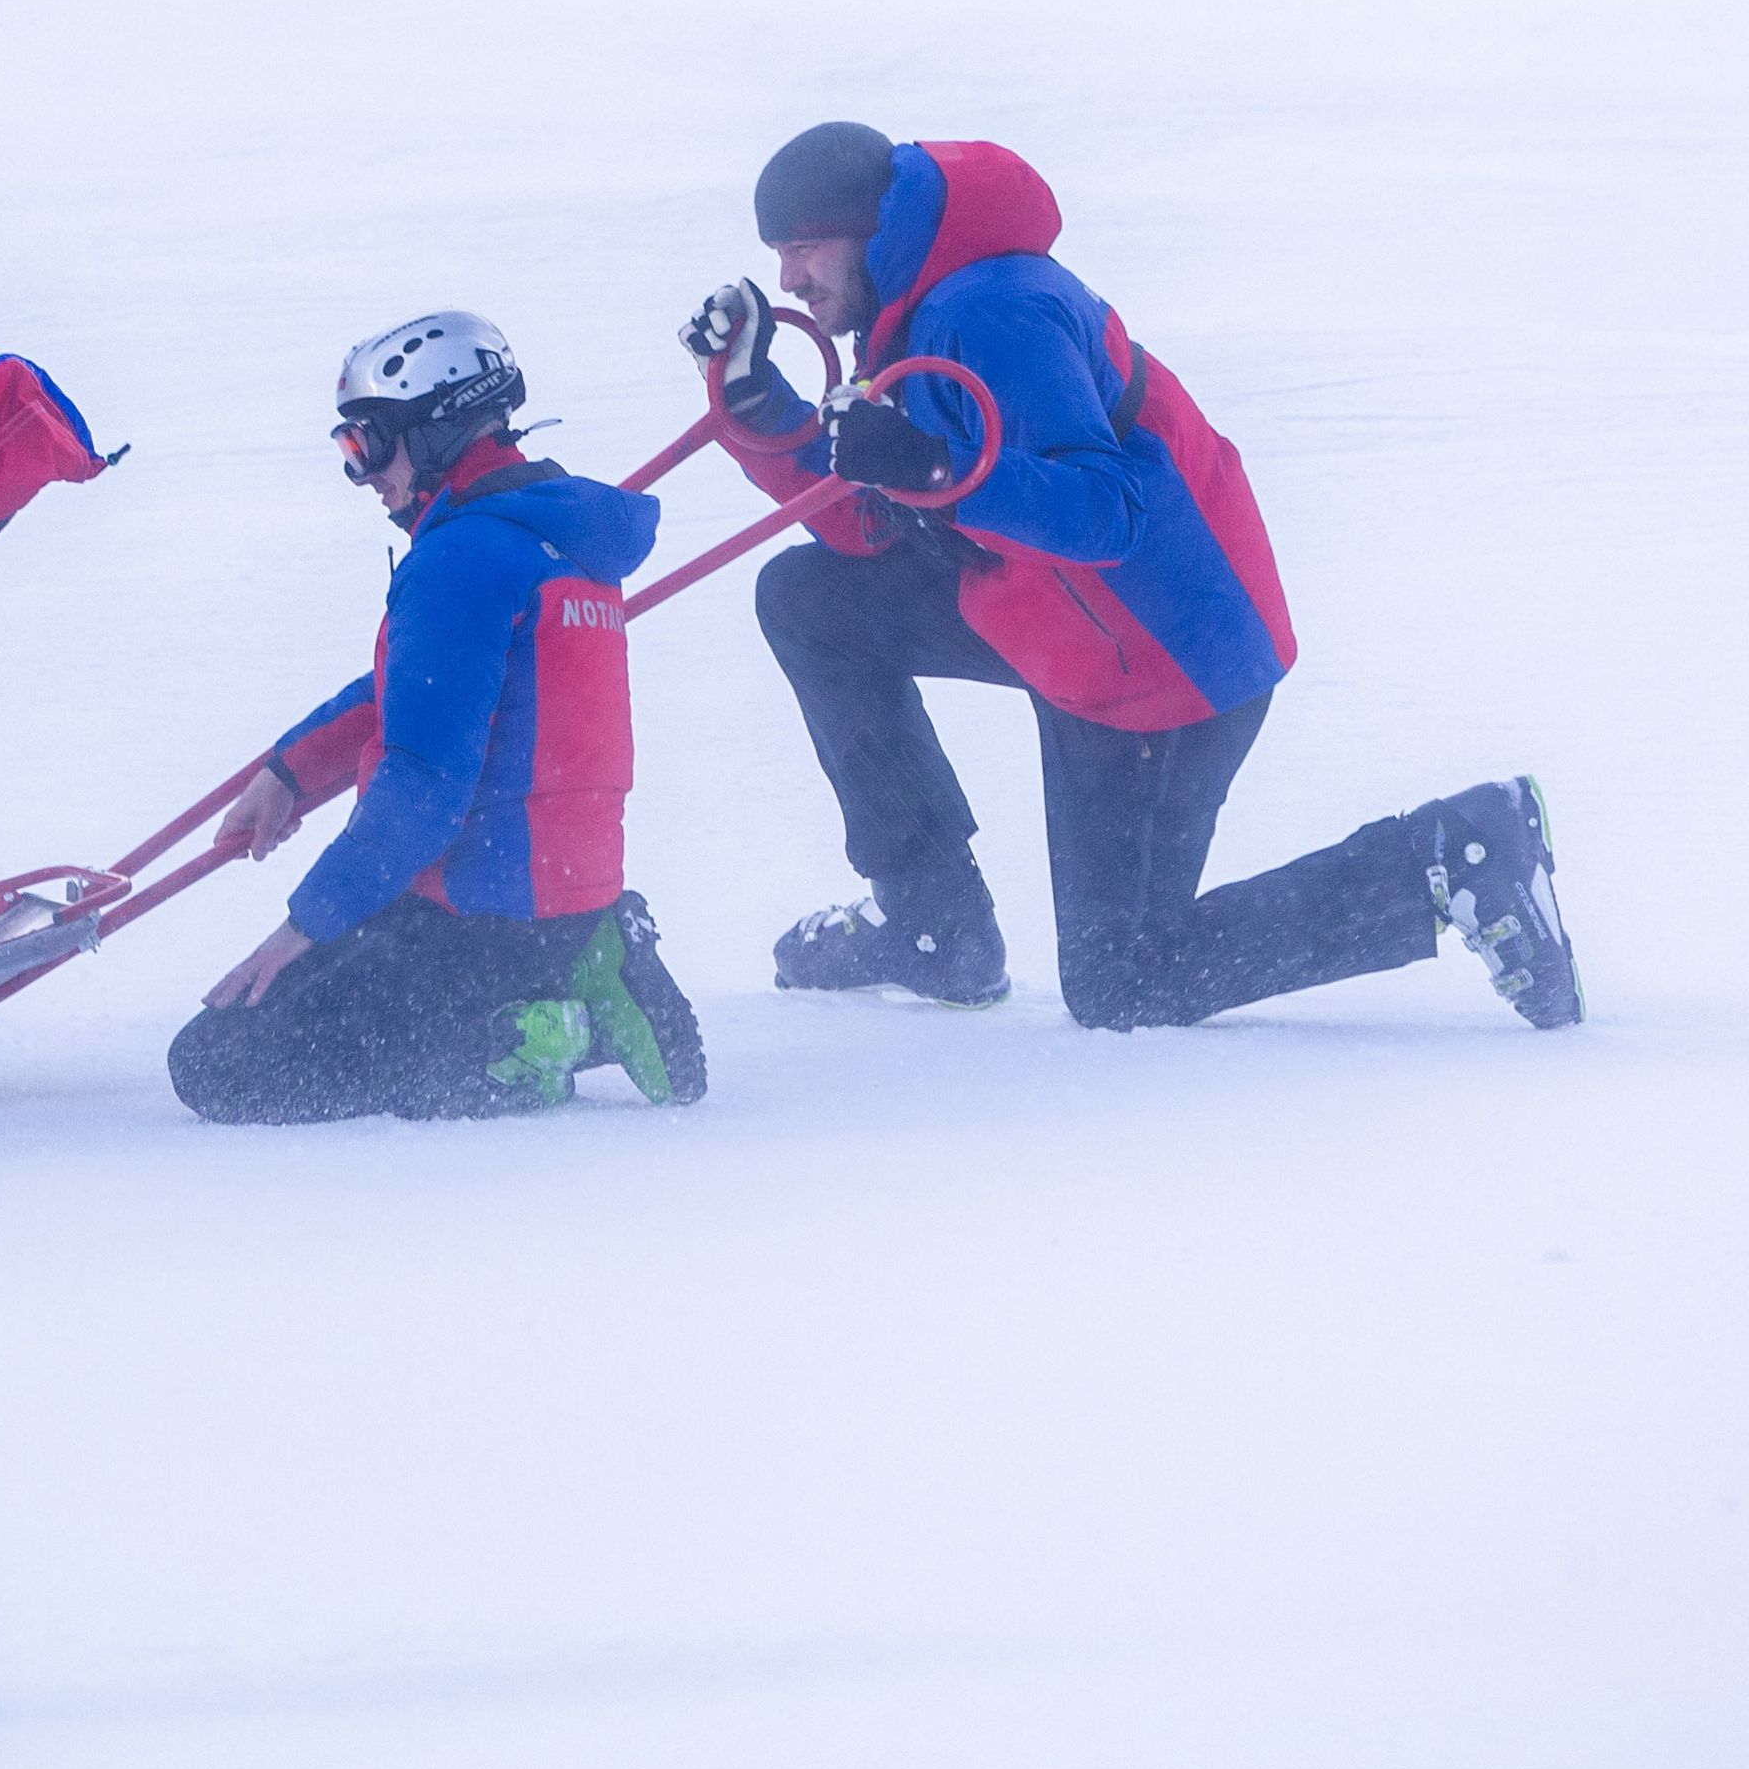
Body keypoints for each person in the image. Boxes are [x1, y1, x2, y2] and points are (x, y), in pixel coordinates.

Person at [690, 121, 1578, 1029]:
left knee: (1126, 981)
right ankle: (931, 923)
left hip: (1162, 659)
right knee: (811, 600)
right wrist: (760, 406)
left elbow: (1106, 512)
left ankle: (1459, 851)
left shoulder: (990, 312)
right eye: (780, 256)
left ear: (870, 236)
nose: (792, 278)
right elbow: (874, 524)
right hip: (1058, 622)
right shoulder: (910, 310)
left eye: (806, 250)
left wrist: (927, 468)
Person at [171, 316, 706, 1122]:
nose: (362, 474)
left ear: (441, 427)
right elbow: (416, 688)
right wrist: (289, 771)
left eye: (371, 444)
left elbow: (422, 786)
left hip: (477, 916)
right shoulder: (549, 534)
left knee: (218, 1063)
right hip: (559, 897)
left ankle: (538, 1036)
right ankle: (590, 956)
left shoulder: (461, 557)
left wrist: (300, 930)